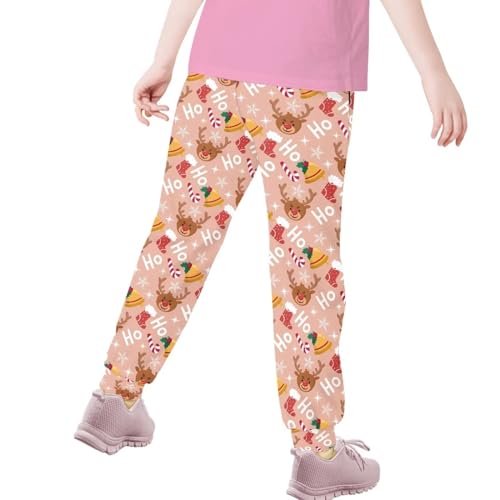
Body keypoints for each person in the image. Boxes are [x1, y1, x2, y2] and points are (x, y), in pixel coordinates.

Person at [74, 0, 468, 497]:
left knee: (177, 240)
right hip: (311, 82)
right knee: (306, 263)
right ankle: (316, 451)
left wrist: (164, 57)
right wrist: (433, 71)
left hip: (215, 76)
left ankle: (113, 400)